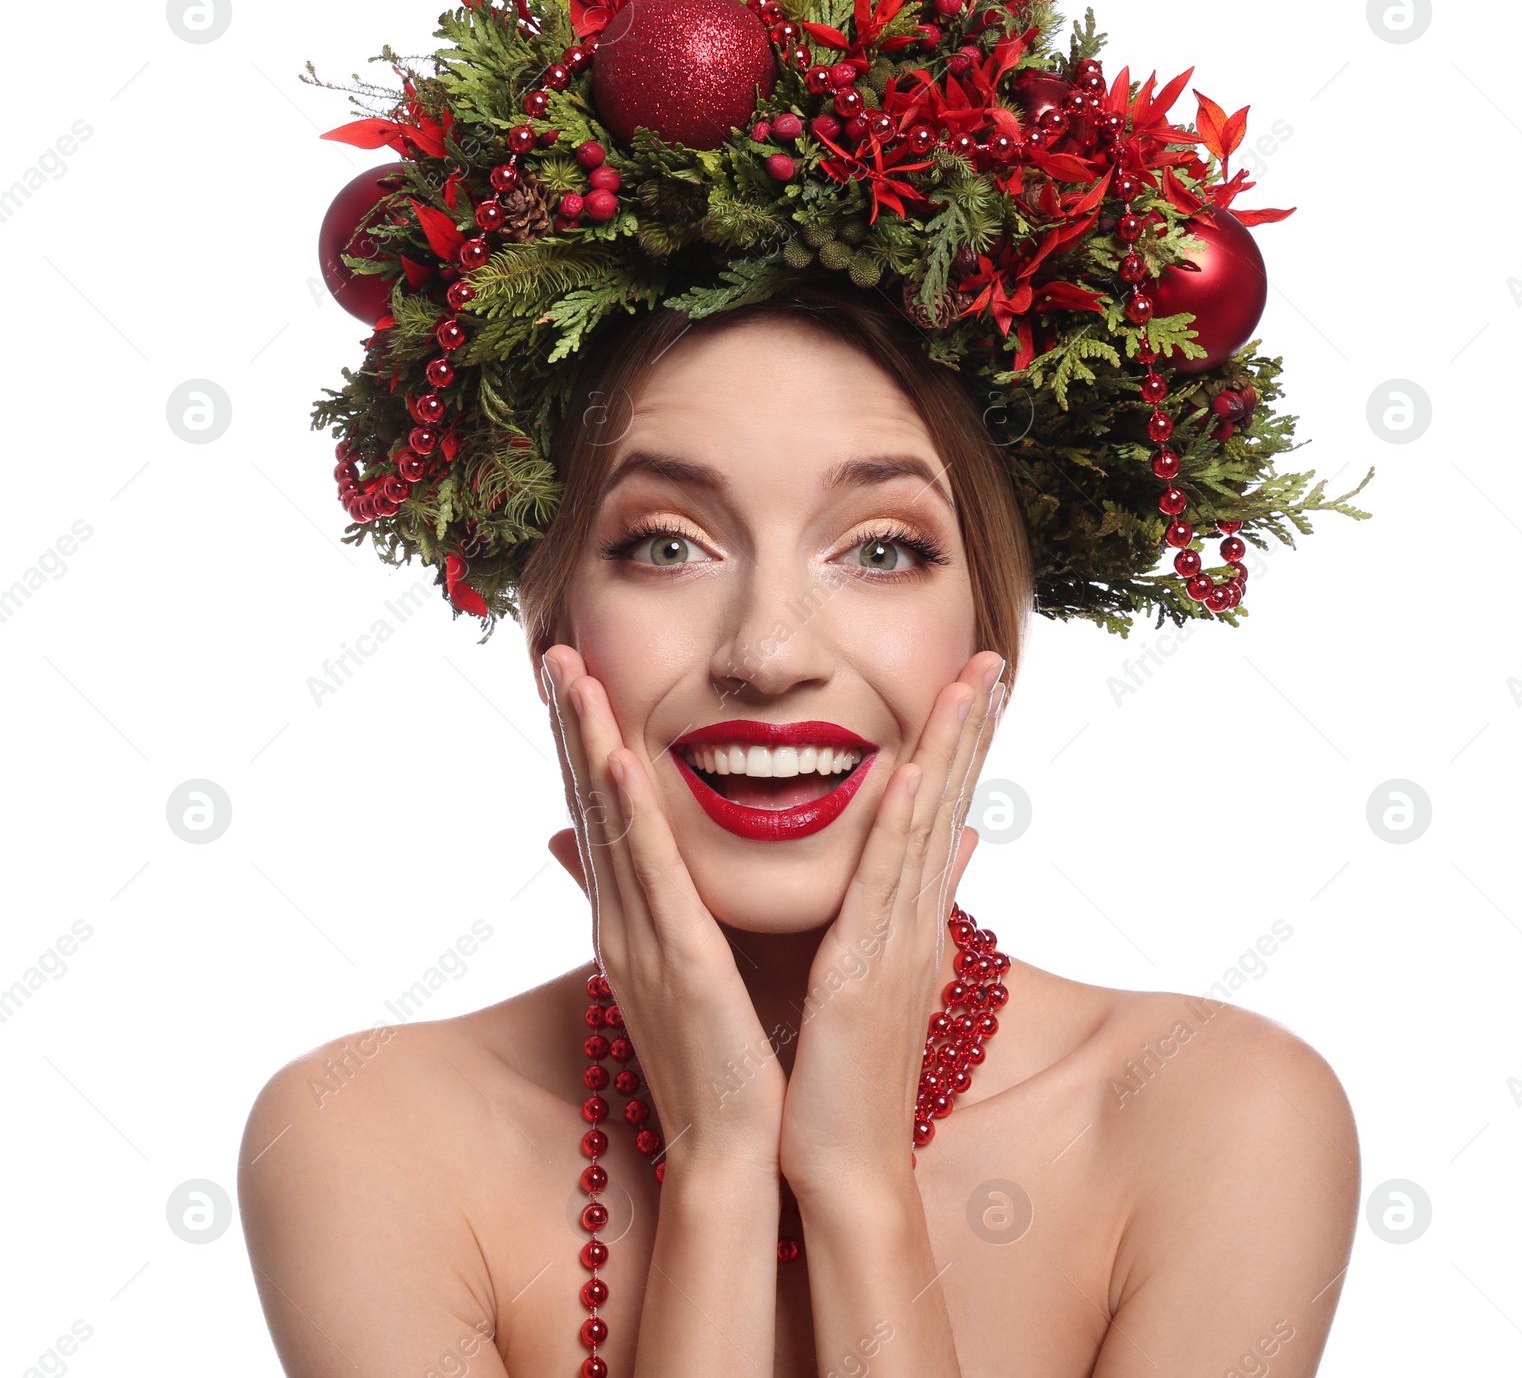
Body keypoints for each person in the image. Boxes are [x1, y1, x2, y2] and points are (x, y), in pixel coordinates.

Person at [238, 288, 1359, 1377]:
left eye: (879, 549)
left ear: (989, 638)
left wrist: (854, 1177)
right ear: (552, 632)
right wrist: (721, 1167)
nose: (768, 654)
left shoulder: (1220, 1121)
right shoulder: (363, 1140)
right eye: (666, 544)